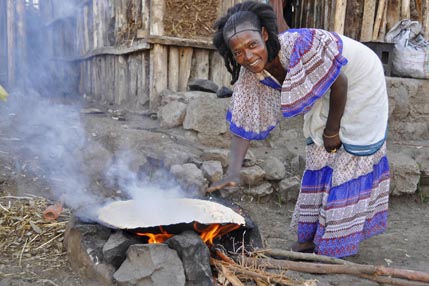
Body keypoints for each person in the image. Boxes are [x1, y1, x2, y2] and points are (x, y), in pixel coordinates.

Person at [207, 1, 390, 258]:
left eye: (252, 45)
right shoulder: (251, 74)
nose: (247, 56)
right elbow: (244, 123)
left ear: (265, 35)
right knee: (319, 154)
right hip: (330, 87)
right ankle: (311, 239)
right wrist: (233, 171)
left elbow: (340, 82)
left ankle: (336, 245)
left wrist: (332, 131)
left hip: (360, 78)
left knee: (348, 154)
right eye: (238, 52)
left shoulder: (300, 46)